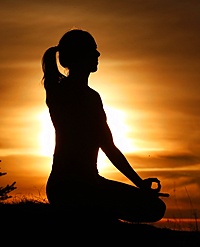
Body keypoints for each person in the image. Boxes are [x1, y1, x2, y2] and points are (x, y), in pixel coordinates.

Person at [41, 28, 167, 223]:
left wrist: (139, 184)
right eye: (93, 50)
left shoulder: (58, 90)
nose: (98, 54)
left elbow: (107, 145)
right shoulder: (86, 97)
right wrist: (139, 184)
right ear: (80, 55)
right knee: (154, 208)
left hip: (63, 187)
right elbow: (109, 147)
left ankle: (96, 214)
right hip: (78, 188)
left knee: (151, 207)